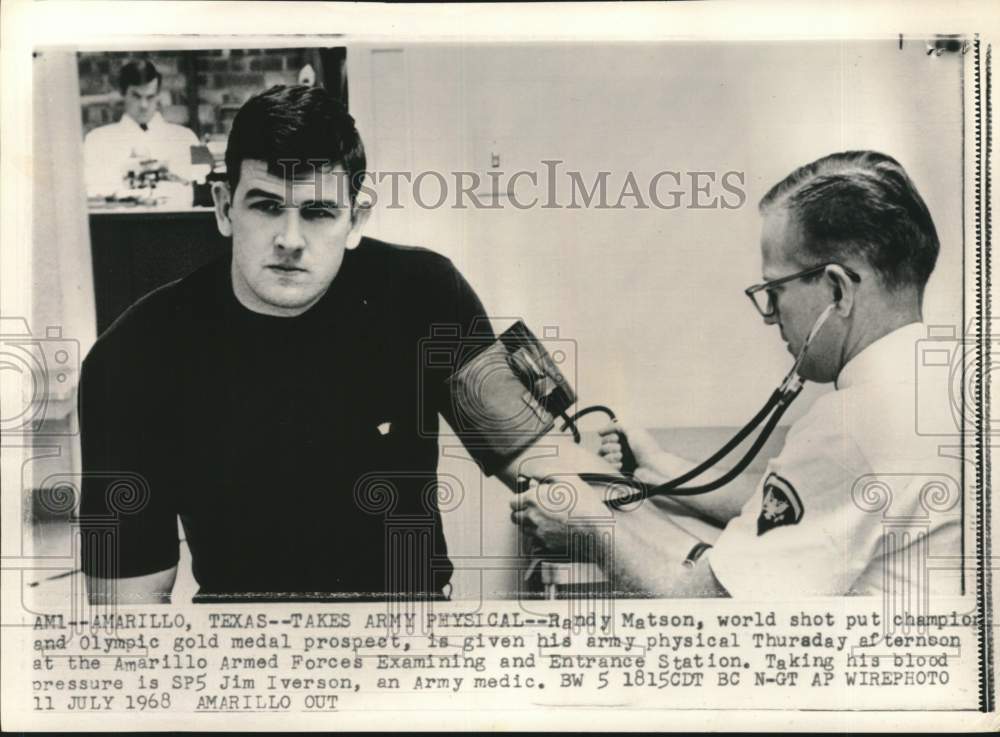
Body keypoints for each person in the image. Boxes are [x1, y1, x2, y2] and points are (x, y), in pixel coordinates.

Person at [78, 85, 493, 603]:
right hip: (246, 649)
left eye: (318, 212)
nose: (290, 240)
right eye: (267, 206)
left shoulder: (425, 293)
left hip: (409, 633)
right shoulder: (132, 356)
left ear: (356, 219)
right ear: (225, 208)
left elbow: (532, 449)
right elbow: (127, 608)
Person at [511, 151, 962, 597]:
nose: (771, 316)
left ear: (837, 289)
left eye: (774, 291)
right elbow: (800, 509)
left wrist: (589, 525)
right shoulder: (947, 386)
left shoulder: (853, 427)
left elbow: (710, 607)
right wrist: (658, 469)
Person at [83, 59, 200, 197]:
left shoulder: (186, 138)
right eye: (136, 96)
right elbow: (90, 191)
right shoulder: (97, 140)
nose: (144, 105)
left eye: (150, 97)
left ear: (158, 95)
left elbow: (201, 185)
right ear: (123, 93)